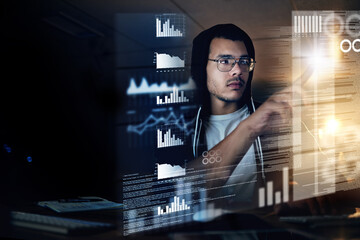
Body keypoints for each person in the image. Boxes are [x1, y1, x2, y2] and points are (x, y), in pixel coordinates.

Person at [190, 24, 292, 209]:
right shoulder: (175, 127)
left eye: (244, 61)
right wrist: (249, 128)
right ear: (202, 67)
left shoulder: (275, 118)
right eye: (225, 61)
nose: (237, 70)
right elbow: (181, 193)